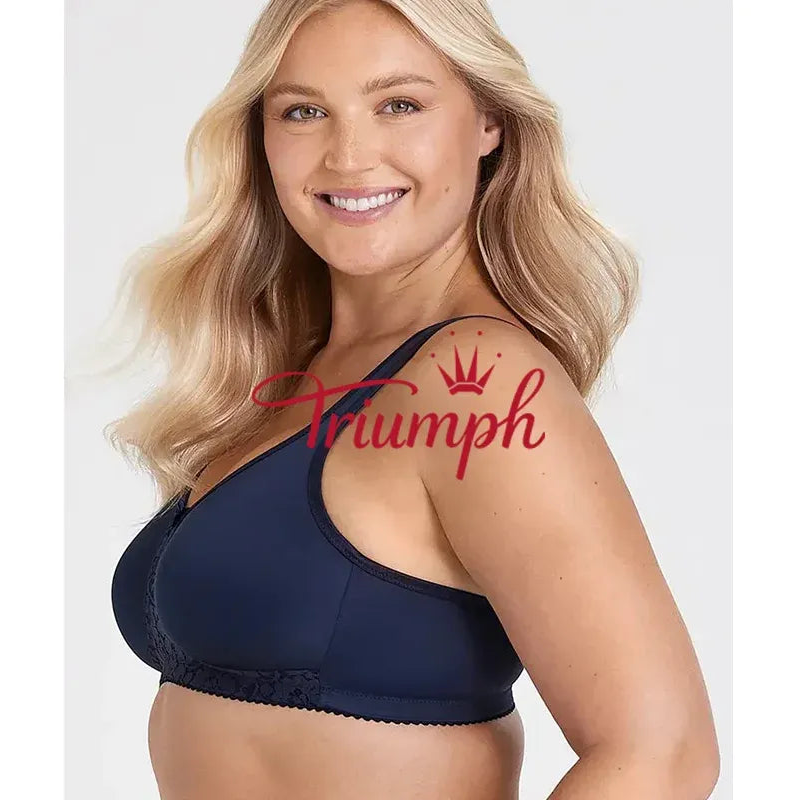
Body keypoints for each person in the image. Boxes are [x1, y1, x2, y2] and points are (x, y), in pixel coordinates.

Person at [107, 0, 720, 798]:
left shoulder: (479, 380)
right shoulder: (298, 372)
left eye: (399, 104)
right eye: (303, 112)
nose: (348, 155)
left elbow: (662, 755)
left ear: (489, 121)